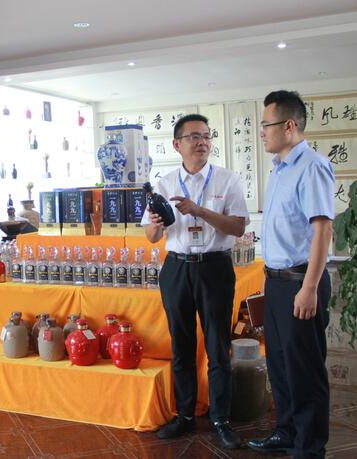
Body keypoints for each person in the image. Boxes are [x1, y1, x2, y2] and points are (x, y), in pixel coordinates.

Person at [142, 114, 249, 449]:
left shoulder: (227, 180)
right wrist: (156, 223)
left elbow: (238, 227)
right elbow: (151, 236)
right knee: (182, 346)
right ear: (177, 144)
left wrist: (199, 210)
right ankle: (185, 415)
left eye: (206, 136)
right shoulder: (164, 184)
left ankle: (220, 420)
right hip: (176, 268)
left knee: (218, 346)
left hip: (215, 267)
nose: (202, 142)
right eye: (194, 136)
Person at [247, 90, 334, 458]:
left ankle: (309, 447)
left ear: (289, 125)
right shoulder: (280, 168)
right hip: (277, 282)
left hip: (301, 282)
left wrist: (309, 288)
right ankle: (286, 431)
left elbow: (322, 230)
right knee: (280, 364)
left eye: (266, 125)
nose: (261, 132)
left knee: (304, 369)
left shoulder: (311, 166)